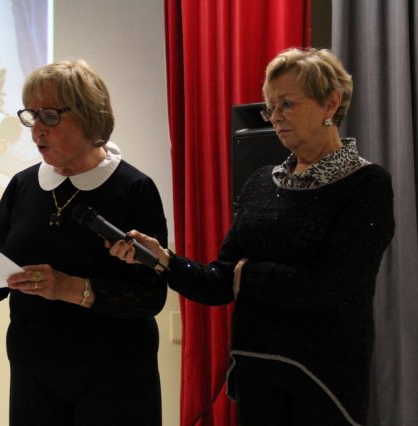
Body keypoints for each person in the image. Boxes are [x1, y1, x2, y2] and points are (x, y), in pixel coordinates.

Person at [109, 48, 395, 426]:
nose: (275, 117)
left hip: (324, 383)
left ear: (331, 102)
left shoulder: (367, 184)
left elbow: (328, 286)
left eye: (286, 104)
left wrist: (248, 275)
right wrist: (162, 258)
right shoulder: (261, 182)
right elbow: (221, 282)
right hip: (256, 375)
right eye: (270, 107)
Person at [0, 59, 168, 426]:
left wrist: (70, 288)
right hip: (34, 370)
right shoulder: (22, 185)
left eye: (50, 116)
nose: (36, 130)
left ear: (89, 116)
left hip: (116, 374)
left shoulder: (133, 189)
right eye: (31, 116)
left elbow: (150, 296)